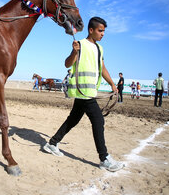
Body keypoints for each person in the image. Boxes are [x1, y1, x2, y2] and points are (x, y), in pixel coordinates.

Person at [42, 17, 124, 172]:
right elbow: (67, 63)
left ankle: (52, 143)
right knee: (98, 121)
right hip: (82, 90)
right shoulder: (79, 44)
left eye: (104, 31)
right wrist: (74, 52)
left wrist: (113, 83)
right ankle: (104, 158)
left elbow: (102, 68)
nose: (103, 34)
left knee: (73, 119)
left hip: (89, 91)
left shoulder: (100, 48)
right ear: (91, 30)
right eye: (100, 30)